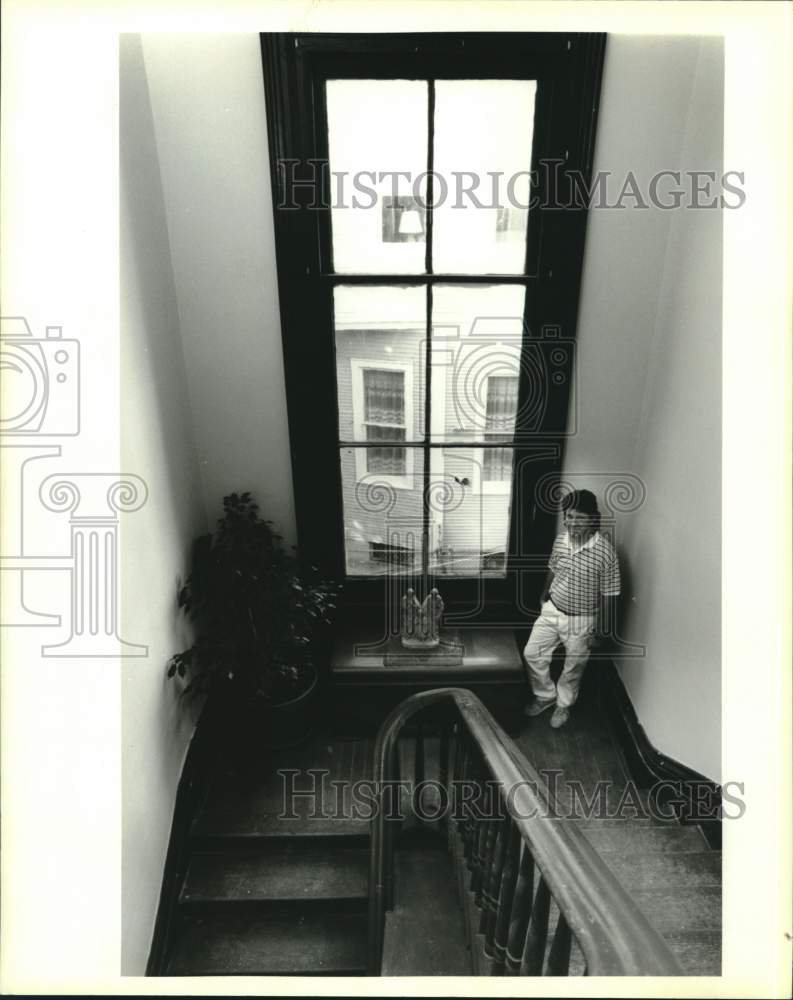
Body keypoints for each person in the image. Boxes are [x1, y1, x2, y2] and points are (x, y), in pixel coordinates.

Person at [523, 489, 621, 729]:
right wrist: (545, 593)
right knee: (532, 653)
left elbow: (611, 594)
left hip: (582, 620)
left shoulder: (605, 553)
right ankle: (545, 696)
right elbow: (554, 568)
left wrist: (601, 630)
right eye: (568, 516)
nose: (571, 522)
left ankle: (563, 705)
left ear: (593, 519)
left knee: (573, 667)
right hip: (553, 610)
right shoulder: (560, 540)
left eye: (578, 517)